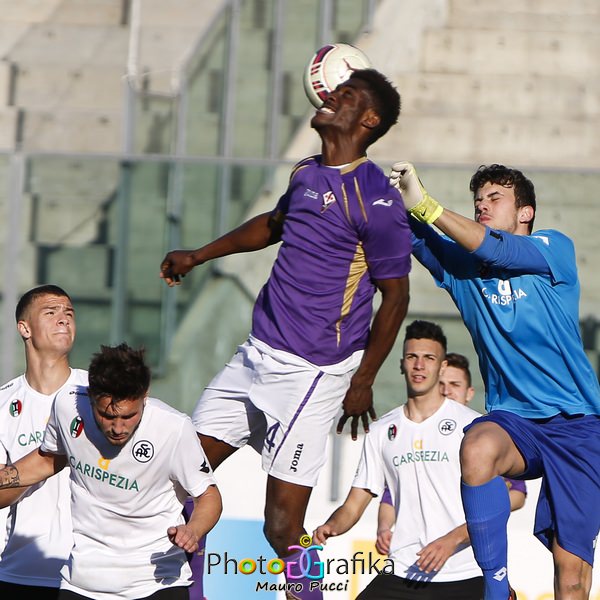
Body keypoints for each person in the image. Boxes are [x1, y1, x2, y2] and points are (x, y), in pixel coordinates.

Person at [159, 68, 412, 598]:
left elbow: (397, 298)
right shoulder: (305, 172)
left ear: (368, 120)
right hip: (255, 355)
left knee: (280, 529)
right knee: (180, 476)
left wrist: (364, 378)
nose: (326, 97)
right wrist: (199, 255)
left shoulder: (378, 201)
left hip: (312, 373)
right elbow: (272, 226)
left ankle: (309, 593)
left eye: (343, 96)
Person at [390, 161, 600, 600]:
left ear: (525, 213)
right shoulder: (464, 273)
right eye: (478, 201)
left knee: (571, 576)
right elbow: (414, 235)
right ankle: (497, 590)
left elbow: (499, 251)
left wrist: (426, 205)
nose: (482, 206)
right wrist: (384, 198)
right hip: (516, 422)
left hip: (579, 425)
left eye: (494, 198)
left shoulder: (551, 249)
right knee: (477, 447)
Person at [0, 343, 222, 600]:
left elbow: (209, 496)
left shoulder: (174, 428)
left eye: (128, 416)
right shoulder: (67, 406)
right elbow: (46, 460)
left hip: (155, 585)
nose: (118, 428)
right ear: (92, 397)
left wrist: (193, 530)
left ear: (145, 395)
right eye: (107, 415)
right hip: (82, 585)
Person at [313, 319, 483, 599]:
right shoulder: (381, 430)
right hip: (404, 571)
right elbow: (355, 504)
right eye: (412, 357)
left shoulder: (472, 426)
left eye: (429, 358)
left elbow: (494, 507)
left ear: (441, 368)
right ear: (402, 364)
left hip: (462, 573)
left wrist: (450, 541)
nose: (419, 365)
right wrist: (331, 526)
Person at [375, 351, 527, 558]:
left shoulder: (488, 437)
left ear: (469, 393)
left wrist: (470, 527)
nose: (447, 391)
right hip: (416, 557)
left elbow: (517, 495)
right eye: (441, 385)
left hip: (470, 556)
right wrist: (384, 529)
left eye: (455, 385)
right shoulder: (414, 435)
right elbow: (391, 495)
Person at [0, 284, 87, 599]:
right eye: (50, 313)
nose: (63, 319)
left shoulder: (99, 396)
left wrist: (17, 471)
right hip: (21, 571)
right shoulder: (4, 404)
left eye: (68, 313)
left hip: (91, 575)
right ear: (24, 328)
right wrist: (46, 461)